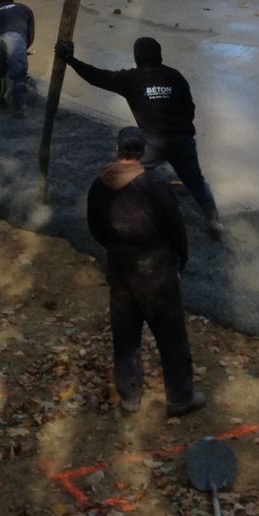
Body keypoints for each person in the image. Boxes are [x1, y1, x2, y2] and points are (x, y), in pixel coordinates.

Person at [87, 126, 206, 417]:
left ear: (118, 150)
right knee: (171, 336)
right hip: (156, 272)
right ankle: (180, 399)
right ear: (142, 153)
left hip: (119, 269)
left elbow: (95, 227)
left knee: (125, 337)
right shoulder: (155, 186)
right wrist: (181, 256)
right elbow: (175, 227)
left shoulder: (99, 186)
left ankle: (129, 397)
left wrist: (114, 248)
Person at [56, 36, 223, 239]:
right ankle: (214, 219)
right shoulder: (175, 76)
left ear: (137, 57)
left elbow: (97, 77)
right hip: (183, 140)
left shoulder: (132, 79)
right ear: (159, 55)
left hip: (153, 142)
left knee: (129, 174)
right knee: (196, 183)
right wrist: (182, 129)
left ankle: (124, 212)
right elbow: (189, 108)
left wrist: (70, 60)